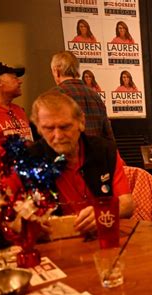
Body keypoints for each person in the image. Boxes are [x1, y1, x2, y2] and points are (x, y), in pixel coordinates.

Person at [29, 91, 133, 235]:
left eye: (65, 127)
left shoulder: (104, 150)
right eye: (49, 128)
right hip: (54, 243)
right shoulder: (29, 159)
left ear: (81, 123)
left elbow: (127, 204)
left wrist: (102, 212)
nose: (58, 136)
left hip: (102, 236)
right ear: (39, 128)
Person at [51, 51, 114, 141]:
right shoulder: (95, 95)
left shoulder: (55, 95)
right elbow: (109, 136)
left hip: (70, 154)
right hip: (97, 153)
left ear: (56, 71)